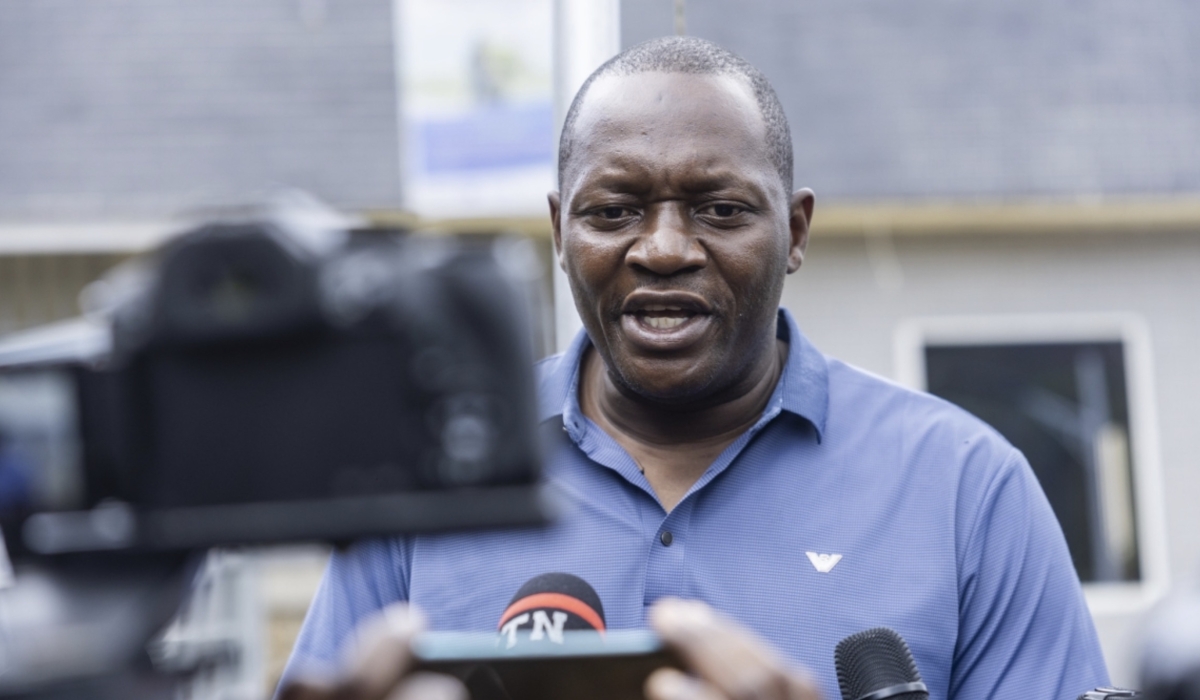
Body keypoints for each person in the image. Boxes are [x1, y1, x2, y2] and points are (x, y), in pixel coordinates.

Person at [279, 36, 1109, 700]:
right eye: (614, 211)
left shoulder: (966, 488)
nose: (666, 249)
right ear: (560, 232)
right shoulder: (422, 476)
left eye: (720, 209)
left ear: (795, 231)